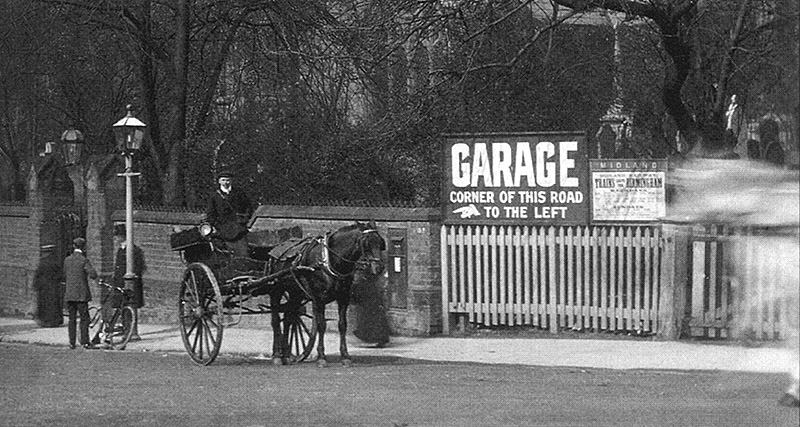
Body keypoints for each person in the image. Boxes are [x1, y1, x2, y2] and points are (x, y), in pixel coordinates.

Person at [205, 170, 254, 257]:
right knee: (226, 255)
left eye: (228, 180)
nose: (226, 182)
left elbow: (248, 207)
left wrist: (245, 218)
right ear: (219, 181)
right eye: (223, 180)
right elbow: (210, 214)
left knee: (244, 253)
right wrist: (217, 225)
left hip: (239, 229)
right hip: (223, 230)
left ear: (231, 181)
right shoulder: (214, 196)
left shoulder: (239, 193)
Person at [111, 224, 146, 341]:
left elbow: (140, 267)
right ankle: (126, 331)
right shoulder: (121, 249)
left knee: (130, 308)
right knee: (123, 308)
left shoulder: (133, 250)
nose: (115, 239)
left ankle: (132, 332)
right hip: (120, 284)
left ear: (123, 236)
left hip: (130, 285)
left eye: (117, 236)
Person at [63, 237, 98, 349]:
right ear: (83, 247)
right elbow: (93, 274)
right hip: (81, 295)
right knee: (84, 319)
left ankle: (71, 342)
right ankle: (85, 342)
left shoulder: (67, 260)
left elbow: (64, 274)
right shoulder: (83, 260)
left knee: (72, 319)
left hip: (70, 294)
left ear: (74, 246)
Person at [351, 268, 390, 348]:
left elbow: (356, 296)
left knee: (371, 322)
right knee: (374, 322)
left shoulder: (363, 283)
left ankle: (375, 339)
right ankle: (379, 339)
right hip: (372, 305)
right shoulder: (371, 282)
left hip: (369, 306)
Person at [34, 244, 64, 328]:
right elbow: (60, 275)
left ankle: (45, 321)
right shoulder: (55, 262)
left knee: (45, 304)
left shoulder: (42, 263)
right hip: (53, 286)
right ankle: (55, 321)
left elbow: (37, 275)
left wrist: (36, 285)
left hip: (43, 288)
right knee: (54, 304)